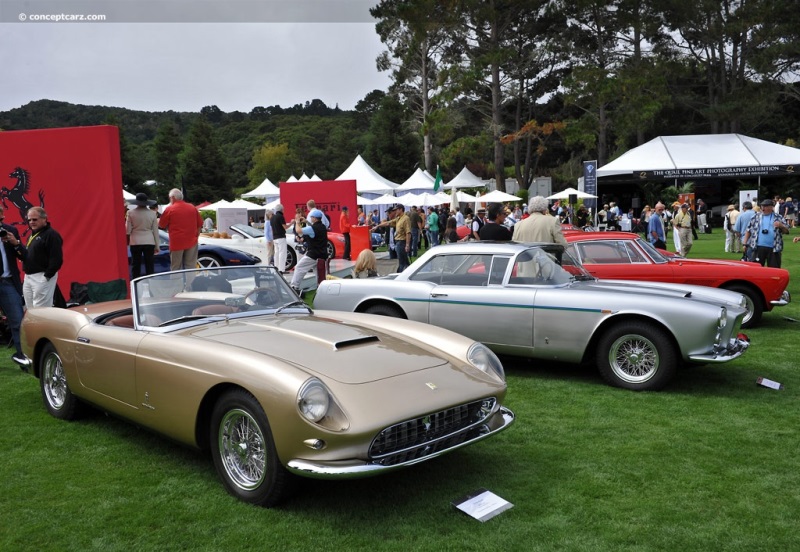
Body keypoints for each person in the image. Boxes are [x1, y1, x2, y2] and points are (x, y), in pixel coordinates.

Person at [0, 205, 29, 367]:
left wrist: (15, 242)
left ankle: (23, 358)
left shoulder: (10, 231)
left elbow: (24, 256)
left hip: (8, 282)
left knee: (18, 321)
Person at [20, 206, 63, 308]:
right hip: (28, 276)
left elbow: (56, 259)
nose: (31, 222)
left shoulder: (51, 234)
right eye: (29, 220)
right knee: (30, 309)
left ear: (44, 219)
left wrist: (47, 276)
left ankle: (44, 325)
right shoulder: (32, 235)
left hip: (41, 275)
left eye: (35, 219)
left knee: (41, 310)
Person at [159, 188, 203, 271]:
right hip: (191, 241)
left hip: (176, 242)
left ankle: (177, 284)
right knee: (191, 266)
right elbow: (199, 224)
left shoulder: (170, 209)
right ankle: (190, 283)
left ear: (173, 197)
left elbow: (161, 225)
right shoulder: (192, 207)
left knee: (176, 267)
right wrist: (196, 236)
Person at [743, 199, 790, 268]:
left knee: (774, 269)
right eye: (762, 206)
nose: (763, 208)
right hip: (758, 247)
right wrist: (744, 244)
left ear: (771, 207)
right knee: (756, 268)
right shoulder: (755, 217)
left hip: (774, 248)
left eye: (765, 206)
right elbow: (748, 230)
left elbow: (787, 231)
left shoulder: (778, 217)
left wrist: (781, 226)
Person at [290, 209, 328, 292]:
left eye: (311, 217)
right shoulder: (323, 227)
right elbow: (314, 228)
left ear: (314, 218)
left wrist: (297, 222)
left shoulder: (313, 228)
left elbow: (298, 231)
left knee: (299, 267)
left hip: (313, 254)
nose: (311, 218)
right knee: (319, 275)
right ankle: (322, 289)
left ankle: (294, 287)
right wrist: (306, 222)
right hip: (322, 255)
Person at [126, 192, 159, 278]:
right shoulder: (152, 213)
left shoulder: (130, 213)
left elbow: (128, 230)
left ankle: (136, 284)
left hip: (135, 241)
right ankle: (151, 284)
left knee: (136, 265)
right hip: (149, 241)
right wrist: (157, 246)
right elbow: (155, 230)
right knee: (150, 265)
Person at [376, 204, 411, 272]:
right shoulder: (398, 218)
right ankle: (409, 273)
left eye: (396, 210)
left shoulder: (405, 218)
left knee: (402, 262)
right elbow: (388, 223)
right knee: (404, 261)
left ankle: (400, 275)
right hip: (398, 242)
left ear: (401, 209)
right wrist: (377, 226)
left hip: (402, 242)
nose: (395, 212)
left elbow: (408, 232)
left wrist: (407, 245)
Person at [270, 204, 292, 273]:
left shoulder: (272, 218)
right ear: (282, 210)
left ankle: (276, 267)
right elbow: (285, 227)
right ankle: (281, 269)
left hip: (275, 237)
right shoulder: (280, 217)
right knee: (282, 253)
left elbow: (272, 229)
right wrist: (291, 223)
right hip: (281, 237)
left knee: (276, 253)